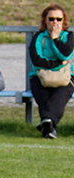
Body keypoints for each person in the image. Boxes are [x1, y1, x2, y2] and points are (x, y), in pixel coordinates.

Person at [29, 3, 74, 139]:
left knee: (60, 95)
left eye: (58, 19)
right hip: (40, 76)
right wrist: (58, 64)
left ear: (63, 21)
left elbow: (65, 55)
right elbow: (37, 60)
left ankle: (47, 123)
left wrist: (55, 38)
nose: (55, 22)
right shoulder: (38, 37)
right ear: (45, 20)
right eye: (51, 19)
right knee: (43, 95)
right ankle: (49, 126)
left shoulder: (69, 36)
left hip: (65, 77)